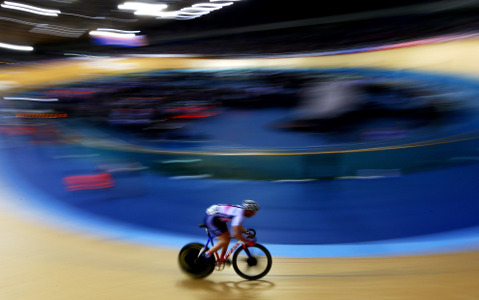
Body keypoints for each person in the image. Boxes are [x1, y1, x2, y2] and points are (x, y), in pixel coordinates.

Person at [202, 200, 260, 264]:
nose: (254, 214)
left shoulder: (240, 212)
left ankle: (221, 259)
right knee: (225, 239)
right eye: (254, 212)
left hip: (217, 218)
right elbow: (235, 234)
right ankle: (207, 254)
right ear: (249, 211)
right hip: (211, 218)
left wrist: (246, 232)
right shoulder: (239, 214)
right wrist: (247, 241)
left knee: (227, 238)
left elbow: (238, 225)